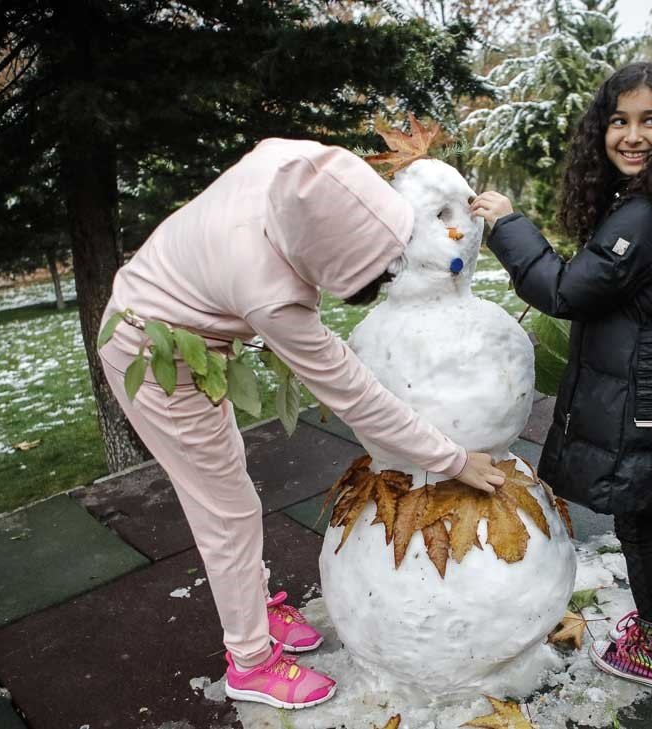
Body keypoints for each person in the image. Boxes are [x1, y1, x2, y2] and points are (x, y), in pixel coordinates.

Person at [99, 138, 505, 710]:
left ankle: (255, 605)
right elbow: (354, 393)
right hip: (150, 346)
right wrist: (453, 459)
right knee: (225, 507)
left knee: (229, 476)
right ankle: (250, 661)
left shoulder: (300, 169)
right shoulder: (270, 294)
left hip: (191, 319)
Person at [471, 61, 652, 693]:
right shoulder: (650, 204)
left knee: (635, 519)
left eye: (651, 121)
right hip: (646, 378)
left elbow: (564, 290)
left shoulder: (644, 217)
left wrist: (507, 225)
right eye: (620, 120)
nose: (632, 135)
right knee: (648, 509)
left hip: (638, 388)